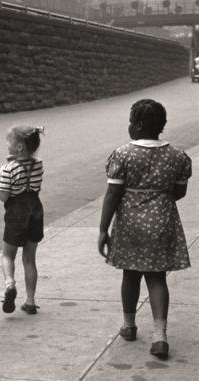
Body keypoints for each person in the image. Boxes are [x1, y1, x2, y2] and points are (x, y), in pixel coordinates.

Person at [98, 99, 192, 359]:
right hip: (162, 221)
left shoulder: (123, 154)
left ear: (138, 125)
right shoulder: (176, 156)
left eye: (130, 121)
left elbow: (112, 194)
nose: (129, 126)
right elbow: (179, 191)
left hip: (130, 224)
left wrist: (103, 229)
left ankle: (129, 326)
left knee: (131, 274)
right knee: (157, 277)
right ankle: (160, 336)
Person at [0, 125, 45, 315]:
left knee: (8, 254)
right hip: (35, 209)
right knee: (29, 259)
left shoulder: (9, 169)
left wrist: (1, 176)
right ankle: (30, 301)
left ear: (19, 147)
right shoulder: (39, 164)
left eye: (9, 142)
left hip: (16, 212)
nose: (7, 145)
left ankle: (10, 284)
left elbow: (3, 196)